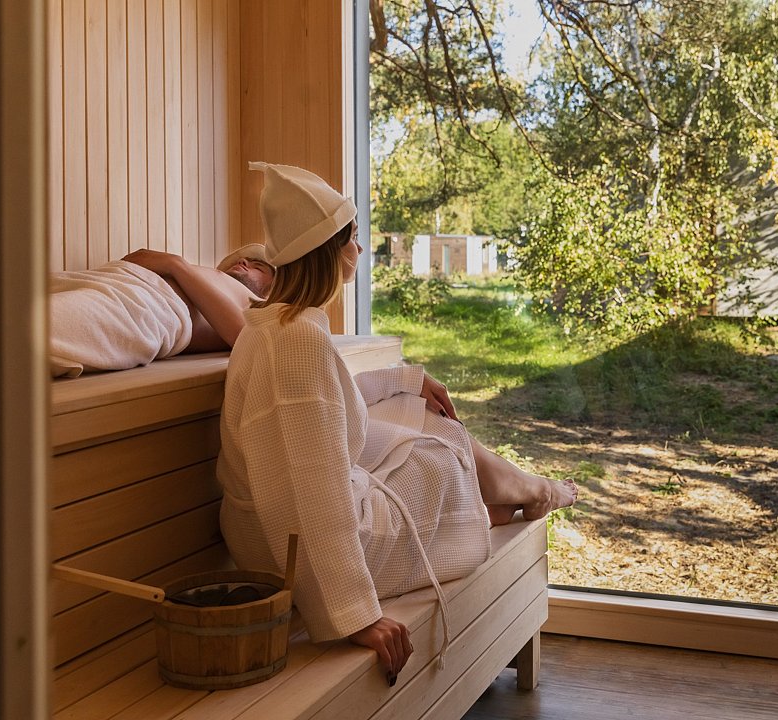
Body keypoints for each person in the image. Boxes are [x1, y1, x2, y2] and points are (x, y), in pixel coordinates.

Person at [216, 162, 577, 686]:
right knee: (440, 454)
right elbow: (314, 497)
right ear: (326, 251)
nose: (360, 249)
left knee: (411, 409)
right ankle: (519, 496)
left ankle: (508, 496)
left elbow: (326, 409)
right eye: (352, 239)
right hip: (295, 555)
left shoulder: (271, 327)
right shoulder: (299, 343)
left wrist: (407, 379)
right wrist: (356, 614)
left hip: (263, 539)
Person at [49, 244, 275, 377]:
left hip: (145, 305)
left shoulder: (262, 305)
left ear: (273, 290)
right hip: (109, 277)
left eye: (258, 267)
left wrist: (174, 264)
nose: (244, 261)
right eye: (244, 260)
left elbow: (243, 334)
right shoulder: (204, 279)